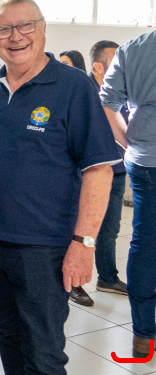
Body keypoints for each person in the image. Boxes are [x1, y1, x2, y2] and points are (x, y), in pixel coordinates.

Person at [0, 0, 119, 374]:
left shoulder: (73, 86)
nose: (15, 36)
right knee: (6, 333)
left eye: (25, 25)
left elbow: (99, 170)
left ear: (43, 29)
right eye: (4, 29)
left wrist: (84, 244)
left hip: (43, 249)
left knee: (43, 352)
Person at [100, 30, 156, 358]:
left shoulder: (133, 48)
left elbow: (107, 103)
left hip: (145, 161)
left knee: (145, 244)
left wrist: (130, 144)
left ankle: (143, 335)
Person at [65, 41, 129, 308]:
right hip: (88, 175)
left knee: (110, 229)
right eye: (115, 62)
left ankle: (108, 277)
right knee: (81, 230)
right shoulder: (83, 92)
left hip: (117, 171)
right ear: (98, 66)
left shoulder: (121, 91)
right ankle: (73, 282)